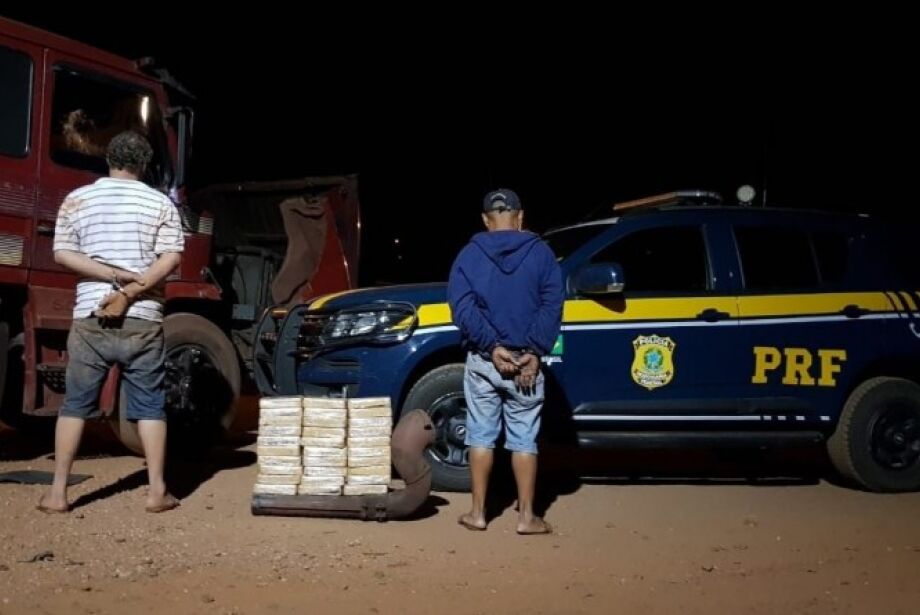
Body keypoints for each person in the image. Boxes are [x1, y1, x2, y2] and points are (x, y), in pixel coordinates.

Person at [38, 131, 184, 514]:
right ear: (144, 164)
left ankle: (58, 493)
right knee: (150, 406)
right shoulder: (160, 203)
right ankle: (156, 491)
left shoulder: (78, 199)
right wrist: (132, 287)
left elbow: (62, 253)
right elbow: (171, 258)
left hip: (91, 316)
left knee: (75, 405)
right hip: (144, 319)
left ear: (109, 160)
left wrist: (111, 277)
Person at [447, 188, 563, 534]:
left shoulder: (468, 255)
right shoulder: (542, 254)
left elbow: (462, 309)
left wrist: (491, 346)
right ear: (520, 216)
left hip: (485, 362)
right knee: (524, 438)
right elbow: (552, 304)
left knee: (480, 435)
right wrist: (533, 351)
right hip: (526, 363)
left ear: (486, 220)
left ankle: (478, 514)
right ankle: (527, 517)